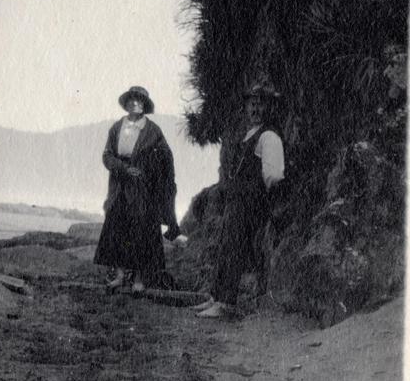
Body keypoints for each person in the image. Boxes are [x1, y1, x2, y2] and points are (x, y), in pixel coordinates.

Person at [196, 79, 284, 318]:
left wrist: (259, 193)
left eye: (261, 105)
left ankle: (226, 304)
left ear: (269, 108)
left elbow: (274, 174)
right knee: (226, 247)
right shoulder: (250, 134)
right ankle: (215, 297)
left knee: (235, 249)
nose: (255, 109)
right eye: (252, 104)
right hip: (238, 201)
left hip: (251, 203)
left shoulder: (269, 137)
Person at [94, 85, 180, 293]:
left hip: (144, 189)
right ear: (126, 103)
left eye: (140, 100)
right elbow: (107, 156)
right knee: (117, 226)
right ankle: (121, 276)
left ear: (145, 105)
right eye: (132, 99)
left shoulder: (153, 130)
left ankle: (140, 279)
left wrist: (148, 173)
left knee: (142, 230)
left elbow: (166, 159)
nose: (135, 103)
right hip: (120, 185)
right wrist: (124, 168)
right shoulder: (117, 127)